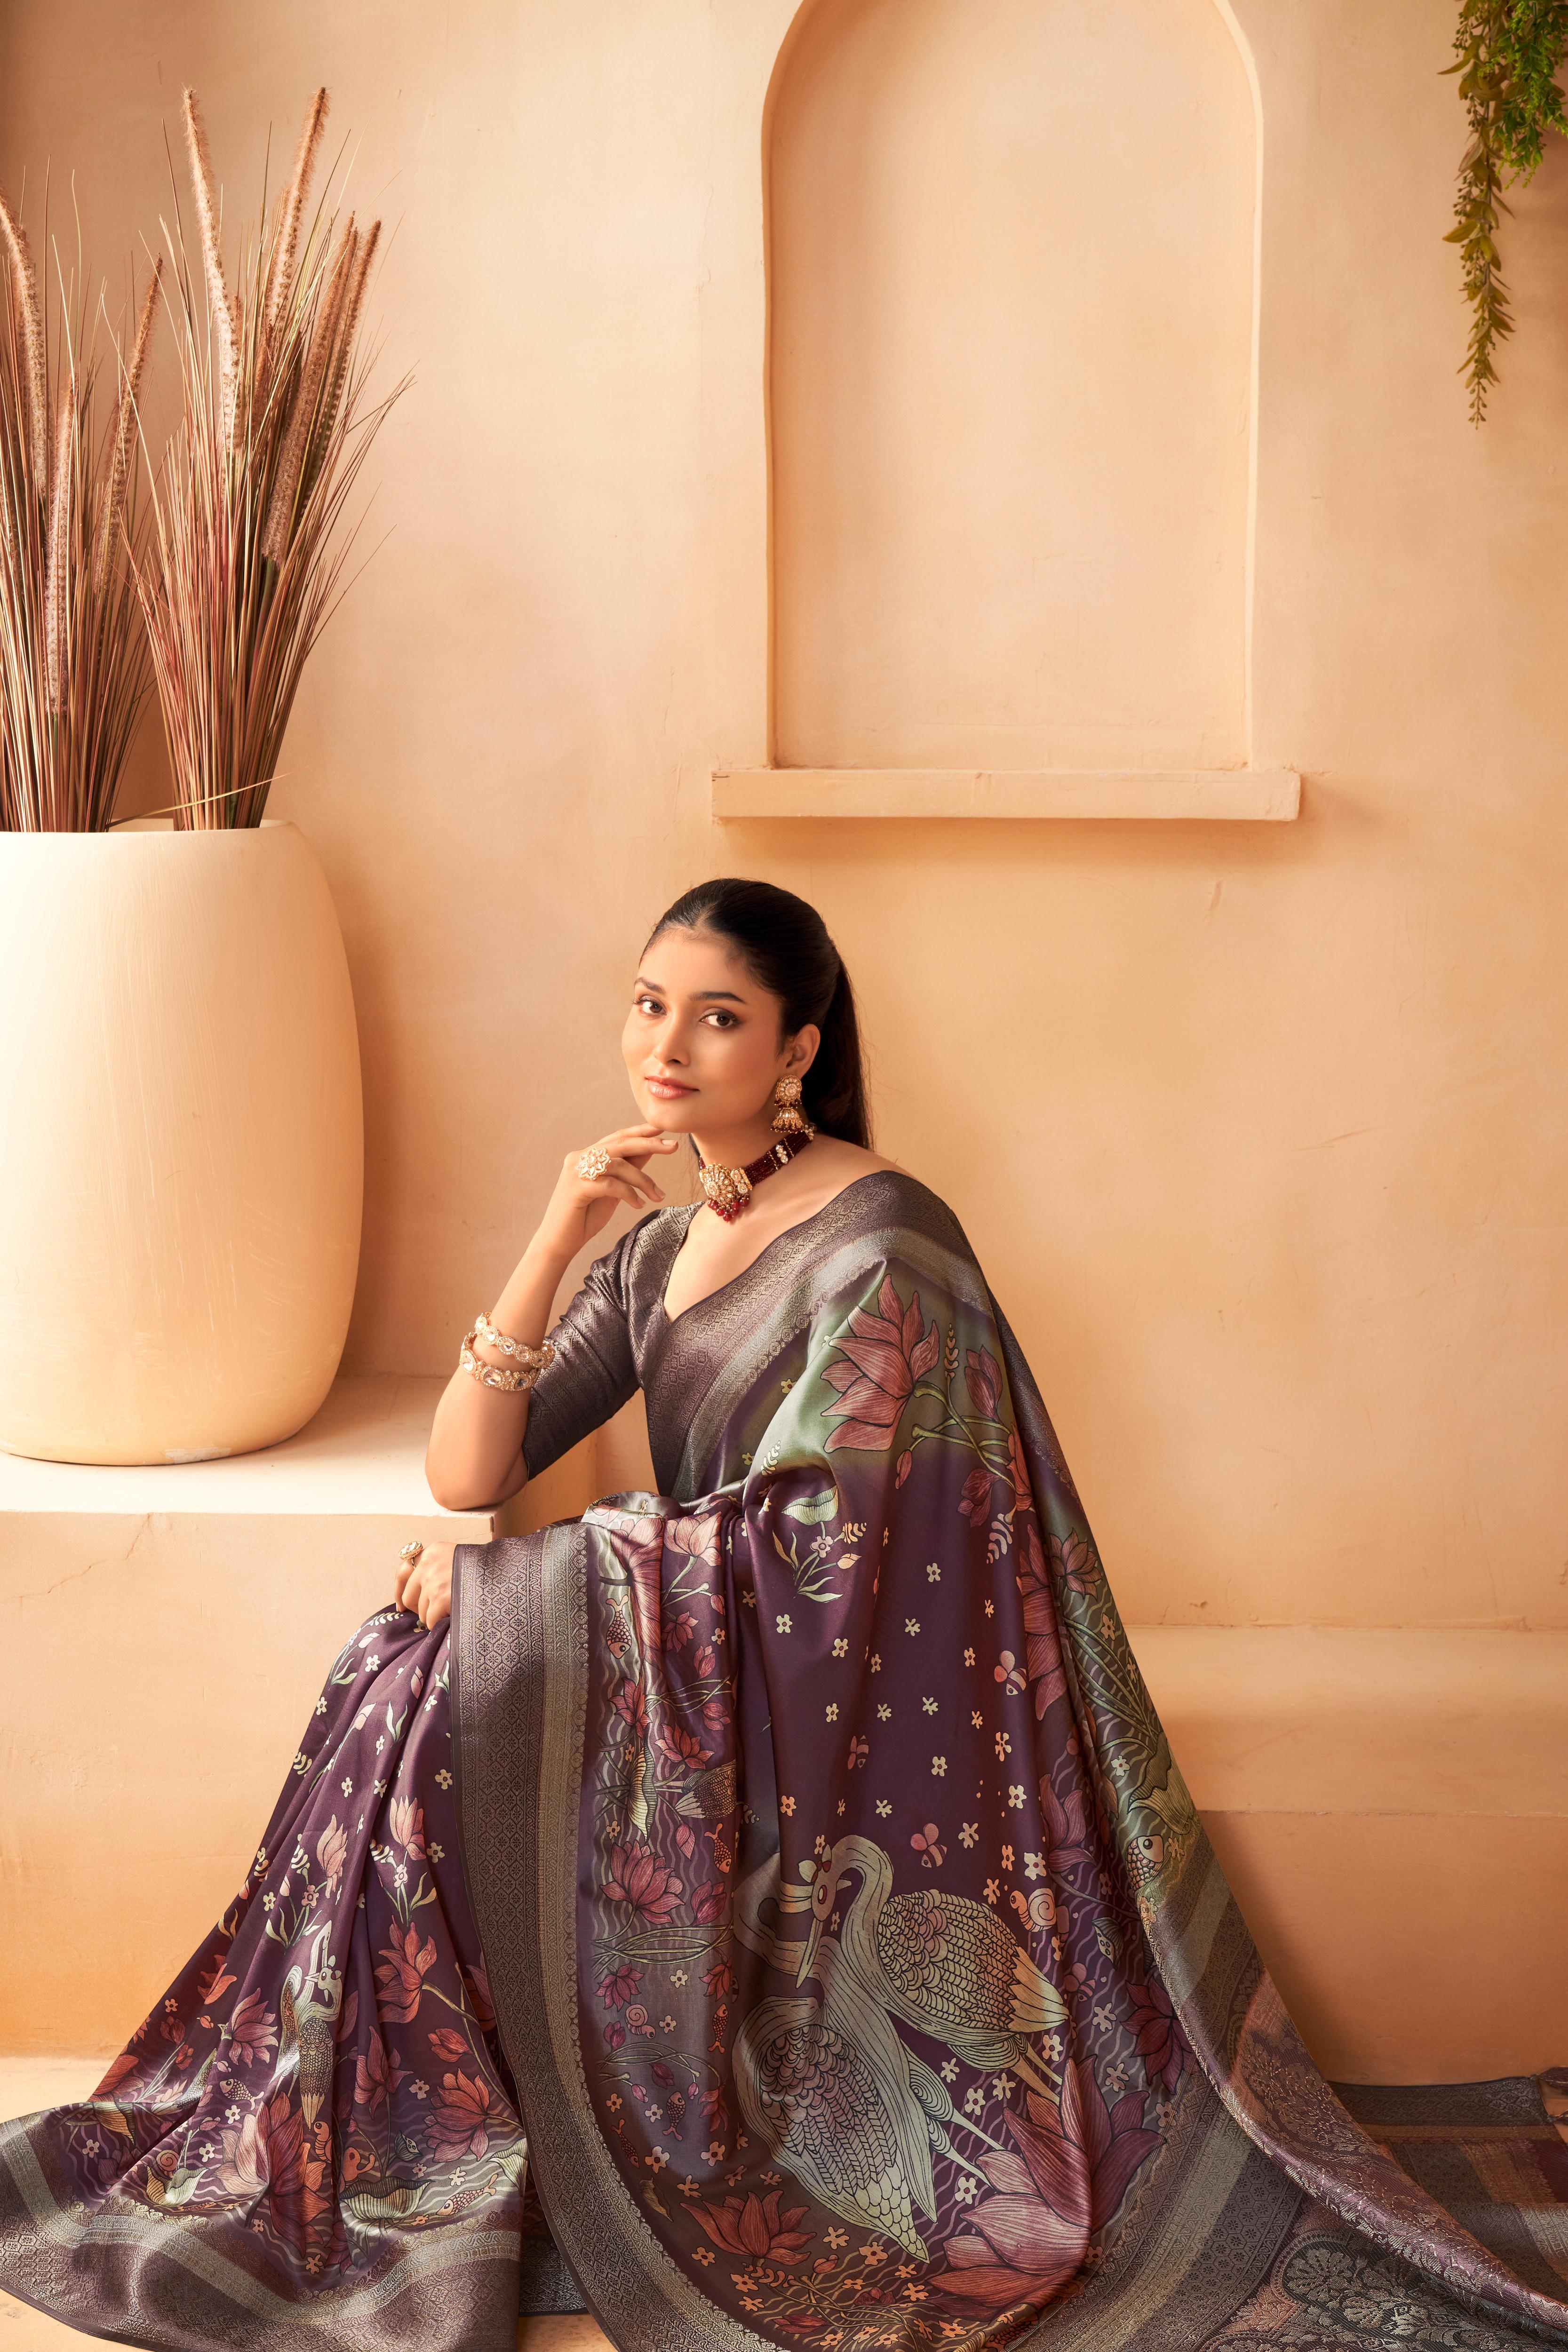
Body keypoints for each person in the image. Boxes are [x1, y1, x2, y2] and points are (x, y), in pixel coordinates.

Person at [1, 877, 1564, 2352]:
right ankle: (395, 2127)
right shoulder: (664, 1247)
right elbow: (467, 1461)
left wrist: (524, 1585)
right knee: (401, 1667)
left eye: (717, 1017)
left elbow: (841, 1541)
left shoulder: (883, 1242)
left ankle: (473, 2125)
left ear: (800, 1048)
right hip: (697, 1654)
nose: (665, 1048)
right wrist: (557, 1236)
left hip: (831, 1699)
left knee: (451, 1651)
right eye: (646, 1005)